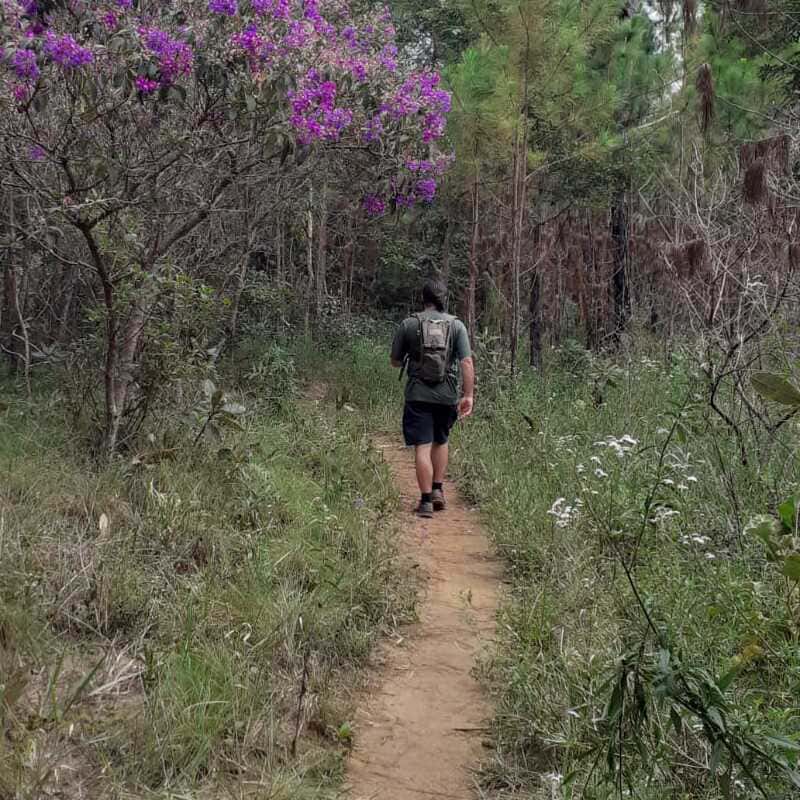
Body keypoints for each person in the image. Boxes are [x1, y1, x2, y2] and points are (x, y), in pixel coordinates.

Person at [390, 279, 475, 518]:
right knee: (441, 440)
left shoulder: (409, 324)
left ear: (423, 298)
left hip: (417, 395)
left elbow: (394, 360)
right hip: (447, 395)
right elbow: (466, 362)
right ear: (443, 300)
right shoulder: (457, 326)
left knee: (422, 446)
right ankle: (438, 489)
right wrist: (468, 395)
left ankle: (425, 501)